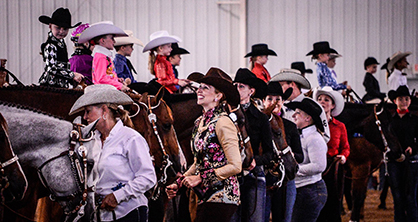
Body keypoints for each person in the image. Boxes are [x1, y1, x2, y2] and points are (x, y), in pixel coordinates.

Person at [68, 84, 156, 221]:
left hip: (129, 213)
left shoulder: (131, 138)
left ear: (104, 110)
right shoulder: (91, 141)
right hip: (101, 215)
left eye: (88, 111)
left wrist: (118, 196)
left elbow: (148, 177)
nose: (85, 117)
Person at [165, 67, 242, 222]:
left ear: (218, 96)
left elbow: (236, 165)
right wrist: (179, 183)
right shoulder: (200, 122)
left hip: (223, 195)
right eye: (199, 87)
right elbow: (198, 161)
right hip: (205, 195)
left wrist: (200, 178)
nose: (199, 91)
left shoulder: (223, 122)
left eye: (205, 88)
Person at [231, 68, 274, 222]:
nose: (237, 89)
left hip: (253, 173)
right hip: (230, 175)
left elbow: (270, 153)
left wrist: (256, 160)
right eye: (235, 85)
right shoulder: (224, 115)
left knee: (254, 218)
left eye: (241, 86)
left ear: (251, 91)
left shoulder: (261, 118)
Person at [263, 81, 303, 222]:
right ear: (263, 101)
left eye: (277, 99)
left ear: (283, 101)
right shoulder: (258, 125)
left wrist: (290, 154)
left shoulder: (290, 127)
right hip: (265, 180)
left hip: (285, 180)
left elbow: (300, 156)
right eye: (269, 99)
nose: (274, 102)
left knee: (284, 218)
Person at [285, 98, 328, 222]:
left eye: (298, 112)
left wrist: (294, 169)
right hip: (305, 189)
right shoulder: (305, 136)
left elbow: (319, 165)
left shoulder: (314, 138)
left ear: (308, 118)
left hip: (310, 189)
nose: (294, 115)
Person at [313, 86, 350, 222]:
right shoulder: (311, 124)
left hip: (332, 166)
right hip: (315, 165)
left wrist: (343, 156)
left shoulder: (340, 126)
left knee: (333, 200)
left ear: (333, 105)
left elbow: (345, 147)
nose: (322, 102)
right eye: (320, 99)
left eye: (326, 100)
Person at [270, 68, 330, 143]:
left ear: (292, 84)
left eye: (282, 85)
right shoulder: (280, 107)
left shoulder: (313, 106)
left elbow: (325, 136)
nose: (279, 89)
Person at [387, 85, 418, 221]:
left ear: (410, 101)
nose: (404, 102)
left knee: (411, 195)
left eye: (406, 99)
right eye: (400, 99)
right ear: (395, 101)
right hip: (394, 160)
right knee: (397, 195)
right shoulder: (390, 121)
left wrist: (413, 148)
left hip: (411, 160)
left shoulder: (414, 120)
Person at [78, 21, 130, 92]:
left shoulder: (104, 56)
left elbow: (106, 75)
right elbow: (101, 79)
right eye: (112, 38)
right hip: (104, 91)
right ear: (102, 41)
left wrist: (116, 80)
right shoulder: (101, 57)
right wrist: (119, 86)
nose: (114, 41)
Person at [38, 7, 84, 88]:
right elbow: (52, 69)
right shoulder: (50, 45)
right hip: (51, 85)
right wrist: (72, 75)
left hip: (61, 85)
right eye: (58, 28)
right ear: (50, 26)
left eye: (65, 29)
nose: (61, 31)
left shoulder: (61, 44)